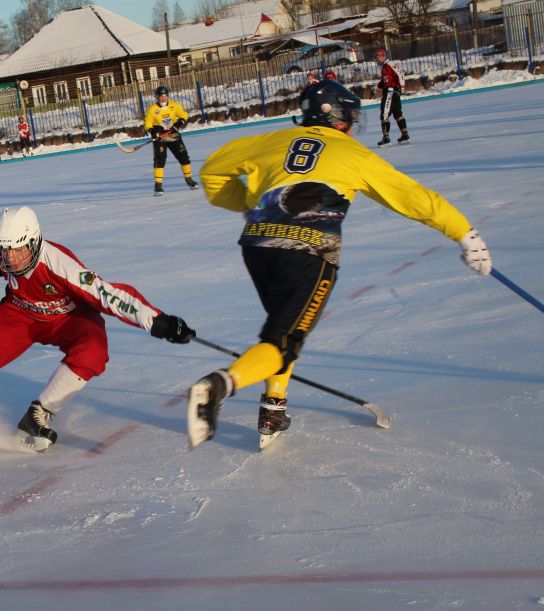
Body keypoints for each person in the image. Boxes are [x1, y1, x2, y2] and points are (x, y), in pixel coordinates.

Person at [187, 80, 492, 450]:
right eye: (350, 117)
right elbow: (413, 198)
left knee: (287, 330)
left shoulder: (271, 140)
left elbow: (212, 171)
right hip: (309, 251)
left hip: (258, 246)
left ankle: (273, 408)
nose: (352, 124)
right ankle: (219, 385)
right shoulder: (353, 154)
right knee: (281, 343)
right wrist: (463, 232)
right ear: (339, 118)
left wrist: (250, 204)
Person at [0, 206, 197, 452]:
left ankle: (39, 413)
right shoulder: (9, 257)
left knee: (92, 352)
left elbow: (108, 295)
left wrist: (157, 320)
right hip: (20, 313)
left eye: (17, 251)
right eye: (4, 251)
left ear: (34, 242)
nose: (10, 258)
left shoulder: (58, 263)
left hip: (69, 318)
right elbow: (8, 264)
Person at [144, 85, 198, 196]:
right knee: (160, 159)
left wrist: (178, 124)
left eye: (165, 96)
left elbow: (184, 115)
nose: (163, 98)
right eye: (160, 96)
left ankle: (189, 180)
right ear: (157, 97)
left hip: (173, 135)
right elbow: (147, 124)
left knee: (184, 157)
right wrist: (153, 131)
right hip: (160, 137)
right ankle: (158, 186)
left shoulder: (174, 105)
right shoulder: (153, 109)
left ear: (167, 96)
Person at [374, 48, 408, 147]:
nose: (377, 59)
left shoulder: (389, 64)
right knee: (397, 114)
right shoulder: (384, 67)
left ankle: (386, 138)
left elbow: (399, 74)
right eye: (376, 57)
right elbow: (385, 80)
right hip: (392, 91)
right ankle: (405, 135)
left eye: (378, 57)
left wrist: (402, 86)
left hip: (390, 92)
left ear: (383, 56)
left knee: (384, 115)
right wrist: (378, 86)